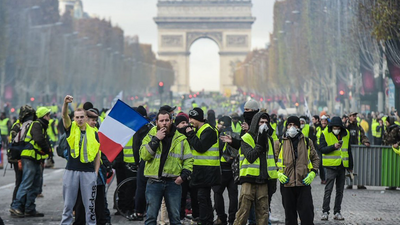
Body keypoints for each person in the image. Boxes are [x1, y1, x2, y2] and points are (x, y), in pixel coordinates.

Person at [140, 110, 193, 225]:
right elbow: (144, 155)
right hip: (154, 182)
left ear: (171, 121)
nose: (164, 123)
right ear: (157, 122)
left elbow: (188, 159)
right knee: (151, 218)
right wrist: (155, 139)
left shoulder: (180, 138)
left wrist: (183, 177)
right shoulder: (150, 135)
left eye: (167, 120)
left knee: (175, 218)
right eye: (161, 121)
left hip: (173, 183)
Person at [60, 95, 101, 225]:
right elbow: (64, 117)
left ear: (86, 118)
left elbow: (97, 154)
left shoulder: (94, 133)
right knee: (68, 205)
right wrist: (65, 104)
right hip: (71, 170)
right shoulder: (70, 127)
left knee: (90, 206)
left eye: (82, 117)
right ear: (74, 118)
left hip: (88, 173)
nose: (79, 119)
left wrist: (95, 172)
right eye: (77, 117)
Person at [233, 112, 278, 225]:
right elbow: (251, 156)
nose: (264, 125)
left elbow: (271, 161)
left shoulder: (269, 139)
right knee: (243, 212)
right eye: (261, 122)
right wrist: (260, 143)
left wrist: (272, 181)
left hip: (263, 180)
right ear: (255, 123)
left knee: (263, 213)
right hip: (248, 179)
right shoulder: (246, 138)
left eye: (266, 123)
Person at [275, 116, 319, 225]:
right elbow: (272, 161)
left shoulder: (307, 141)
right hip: (286, 184)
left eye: (294, 125)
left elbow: (315, 159)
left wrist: (313, 173)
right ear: (286, 126)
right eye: (290, 125)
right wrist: (278, 174)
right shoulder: (279, 142)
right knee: (290, 217)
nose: (292, 127)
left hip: (303, 183)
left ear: (299, 127)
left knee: (307, 216)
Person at [9, 107, 52, 218]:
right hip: (29, 157)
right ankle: (16, 206)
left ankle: (29, 208)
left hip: (35, 158)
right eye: (48, 115)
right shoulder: (37, 124)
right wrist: (48, 150)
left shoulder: (41, 125)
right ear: (44, 116)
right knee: (27, 183)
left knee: (35, 184)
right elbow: (39, 139)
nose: (50, 117)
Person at [73, 108, 113, 225]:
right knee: (81, 203)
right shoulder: (77, 133)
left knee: (100, 203)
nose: (94, 122)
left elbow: (99, 153)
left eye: (96, 120)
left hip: (97, 175)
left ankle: (103, 222)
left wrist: (106, 165)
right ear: (85, 119)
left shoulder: (95, 133)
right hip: (83, 173)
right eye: (92, 120)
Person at [185, 107, 220, 225]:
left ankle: (205, 221)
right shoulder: (198, 130)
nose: (190, 121)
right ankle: (207, 220)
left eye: (192, 118)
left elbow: (200, 147)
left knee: (202, 197)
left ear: (199, 119)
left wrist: (190, 134)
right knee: (203, 198)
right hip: (200, 171)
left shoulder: (209, 130)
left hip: (208, 171)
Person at [319, 117, 353, 221]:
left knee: (340, 191)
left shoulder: (346, 134)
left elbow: (349, 150)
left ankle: (337, 212)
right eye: (334, 127)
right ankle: (325, 212)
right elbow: (322, 149)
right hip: (331, 166)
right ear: (331, 127)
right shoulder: (324, 133)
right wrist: (333, 146)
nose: (336, 129)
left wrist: (350, 167)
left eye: (338, 127)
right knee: (328, 189)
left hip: (342, 166)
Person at [213, 116, 238, 225]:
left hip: (221, 169)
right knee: (233, 195)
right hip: (233, 169)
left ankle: (221, 218)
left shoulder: (219, 136)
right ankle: (232, 219)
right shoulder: (235, 135)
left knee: (218, 193)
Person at [175, 115, 199, 222]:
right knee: (181, 196)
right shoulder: (175, 137)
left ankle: (196, 216)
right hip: (181, 171)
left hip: (192, 170)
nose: (186, 125)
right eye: (183, 123)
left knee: (195, 196)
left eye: (186, 122)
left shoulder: (192, 134)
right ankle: (180, 217)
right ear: (177, 125)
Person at [345, 112, 370, 189]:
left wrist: (366, 141)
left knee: (359, 166)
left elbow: (363, 135)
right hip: (347, 149)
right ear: (349, 117)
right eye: (352, 116)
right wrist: (346, 126)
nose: (354, 117)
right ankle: (349, 183)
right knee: (349, 167)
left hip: (357, 149)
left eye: (355, 116)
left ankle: (360, 183)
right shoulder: (346, 126)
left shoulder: (358, 126)